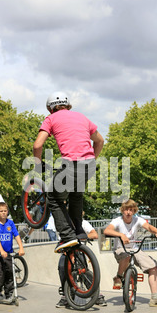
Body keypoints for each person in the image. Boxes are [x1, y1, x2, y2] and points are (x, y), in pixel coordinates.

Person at [33, 92, 104, 253]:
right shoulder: (82, 117)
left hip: (72, 164)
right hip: (90, 164)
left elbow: (38, 145)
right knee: (75, 194)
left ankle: (67, 235)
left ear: (50, 108)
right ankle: (79, 231)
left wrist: (38, 164)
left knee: (53, 197)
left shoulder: (50, 119)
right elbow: (99, 141)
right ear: (68, 105)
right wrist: (90, 159)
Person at [103, 199, 157, 307]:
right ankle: (118, 277)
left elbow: (148, 227)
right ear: (122, 210)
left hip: (135, 248)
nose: (128, 212)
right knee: (126, 257)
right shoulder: (117, 220)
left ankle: (155, 298)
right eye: (126, 210)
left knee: (152, 267)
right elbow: (107, 231)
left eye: (131, 210)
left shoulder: (137, 220)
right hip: (120, 249)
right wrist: (121, 235)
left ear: (134, 211)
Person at [56, 216, 107, 308]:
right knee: (62, 267)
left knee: (82, 270)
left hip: (79, 251)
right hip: (67, 252)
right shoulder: (63, 225)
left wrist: (79, 238)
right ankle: (66, 294)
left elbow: (94, 234)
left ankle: (95, 294)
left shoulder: (83, 223)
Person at [0, 202, 25, 304]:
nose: (3, 213)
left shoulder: (10, 223)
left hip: (9, 253)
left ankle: (8, 293)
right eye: (1, 211)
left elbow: (17, 235)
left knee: (10, 273)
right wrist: (1, 251)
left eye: (5, 211)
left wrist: (21, 248)